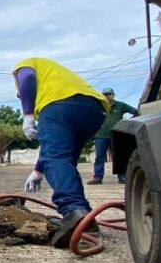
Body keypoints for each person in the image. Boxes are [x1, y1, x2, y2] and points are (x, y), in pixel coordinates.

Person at [13, 57, 108, 248]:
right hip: (94, 110)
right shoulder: (57, 74)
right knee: (66, 160)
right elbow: (54, 152)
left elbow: (27, 78)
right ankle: (86, 219)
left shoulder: (25, 65)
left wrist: (28, 114)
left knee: (56, 159)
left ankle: (72, 210)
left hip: (59, 105)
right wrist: (39, 170)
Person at [88, 88, 138, 185]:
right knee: (99, 157)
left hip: (116, 135)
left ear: (113, 95)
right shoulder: (98, 106)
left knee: (118, 156)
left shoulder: (121, 105)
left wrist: (127, 123)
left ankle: (122, 177)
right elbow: (89, 116)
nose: (107, 96)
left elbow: (135, 111)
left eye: (109, 94)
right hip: (100, 135)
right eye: (105, 94)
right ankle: (98, 177)